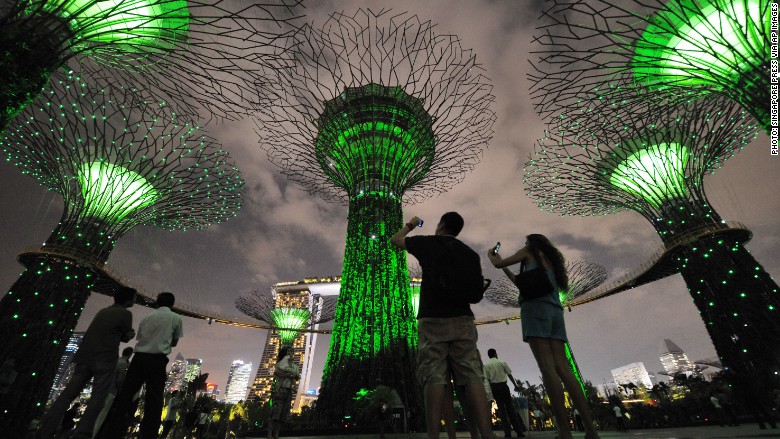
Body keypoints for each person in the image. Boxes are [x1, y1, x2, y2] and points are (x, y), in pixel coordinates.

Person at [391, 212, 494, 439]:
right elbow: (475, 293)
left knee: (434, 375)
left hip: (432, 319)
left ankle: (434, 435)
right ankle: (487, 434)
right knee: (472, 375)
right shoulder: (470, 254)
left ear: (442, 225)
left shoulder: (428, 243)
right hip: (462, 319)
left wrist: (411, 224)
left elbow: (395, 241)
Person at [488, 234, 600, 439]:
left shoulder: (529, 251)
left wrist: (492, 256)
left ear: (531, 243)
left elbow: (497, 264)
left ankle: (565, 431)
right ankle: (591, 429)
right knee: (564, 369)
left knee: (547, 368)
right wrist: (506, 268)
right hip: (555, 312)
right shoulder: (552, 262)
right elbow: (519, 282)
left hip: (535, 310)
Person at [38, 287, 136, 439]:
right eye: (134, 298)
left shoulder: (102, 311)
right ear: (129, 299)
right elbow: (125, 337)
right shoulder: (125, 313)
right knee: (98, 397)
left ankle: (45, 430)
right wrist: (130, 333)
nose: (135, 300)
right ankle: (82, 434)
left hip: (84, 357)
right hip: (104, 359)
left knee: (67, 394)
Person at [97, 292, 183, 439]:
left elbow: (141, 338)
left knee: (125, 395)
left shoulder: (147, 317)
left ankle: (112, 432)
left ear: (157, 302)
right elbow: (174, 342)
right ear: (172, 304)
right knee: (154, 399)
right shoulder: (176, 318)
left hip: (139, 359)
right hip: (157, 360)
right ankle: (148, 435)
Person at [92, 347, 134, 437]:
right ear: (130, 354)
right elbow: (120, 380)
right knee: (101, 416)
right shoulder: (125, 364)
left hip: (104, 388)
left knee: (95, 413)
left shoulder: (116, 361)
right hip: (112, 391)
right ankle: (94, 434)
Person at [484, 349, 526, 437]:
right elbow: (509, 374)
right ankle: (518, 431)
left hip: (494, 387)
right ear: (495, 354)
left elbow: (487, 380)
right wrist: (515, 385)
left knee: (501, 410)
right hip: (503, 386)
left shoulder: (486, 366)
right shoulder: (502, 362)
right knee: (510, 408)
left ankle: (507, 432)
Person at [267, 347, 300, 439]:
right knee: (275, 413)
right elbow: (277, 373)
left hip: (289, 391)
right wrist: (290, 374)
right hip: (280, 390)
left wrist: (293, 375)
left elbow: (297, 376)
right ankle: (269, 434)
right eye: (288, 352)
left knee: (283, 414)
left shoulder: (294, 366)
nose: (290, 353)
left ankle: (276, 434)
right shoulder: (280, 364)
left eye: (292, 352)